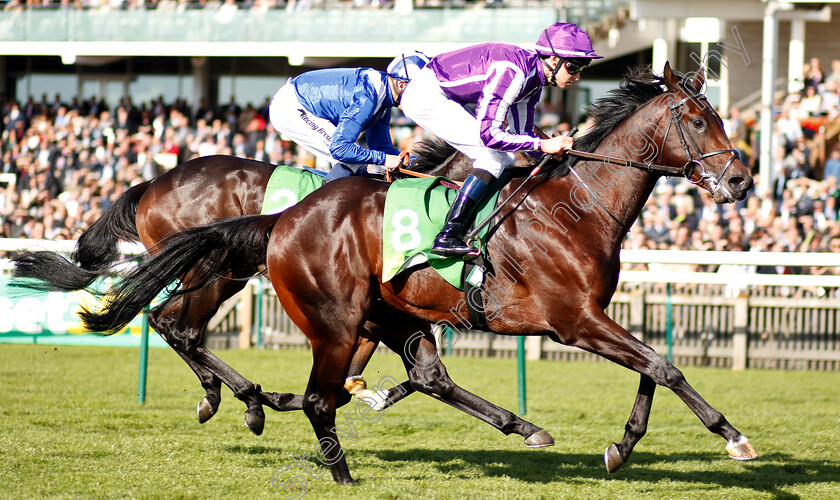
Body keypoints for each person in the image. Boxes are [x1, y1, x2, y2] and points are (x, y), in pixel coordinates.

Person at [399, 22, 601, 256]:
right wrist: (544, 144)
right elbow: (490, 135)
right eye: (574, 66)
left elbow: (522, 135)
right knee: (493, 157)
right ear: (554, 60)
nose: (577, 76)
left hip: (446, 96)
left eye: (583, 67)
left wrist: (548, 152)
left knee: (501, 156)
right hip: (427, 96)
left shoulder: (534, 82)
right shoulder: (514, 73)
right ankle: (448, 234)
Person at [268, 51, 429, 183]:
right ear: (401, 84)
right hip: (291, 107)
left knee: (359, 167)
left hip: (301, 101)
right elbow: (340, 148)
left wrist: (417, 162)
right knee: (353, 159)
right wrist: (384, 158)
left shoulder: (384, 102)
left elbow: (381, 148)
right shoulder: (368, 97)